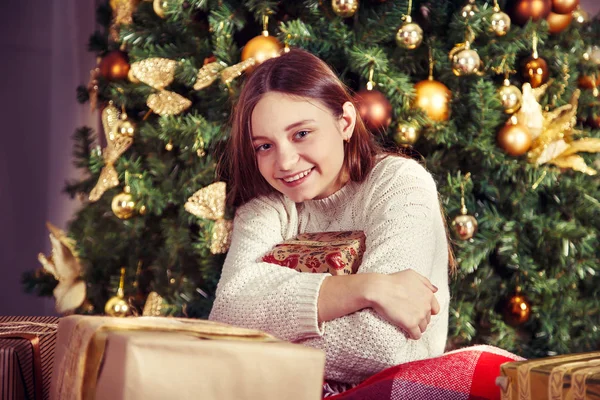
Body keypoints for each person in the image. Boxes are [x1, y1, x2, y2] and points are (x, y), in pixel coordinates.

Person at [209, 48, 454, 388]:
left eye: (301, 134)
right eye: (264, 146)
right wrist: (366, 287)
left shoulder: (399, 184)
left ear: (345, 122)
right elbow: (227, 314)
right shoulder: (268, 204)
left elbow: (384, 347)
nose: (285, 162)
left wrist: (258, 340)